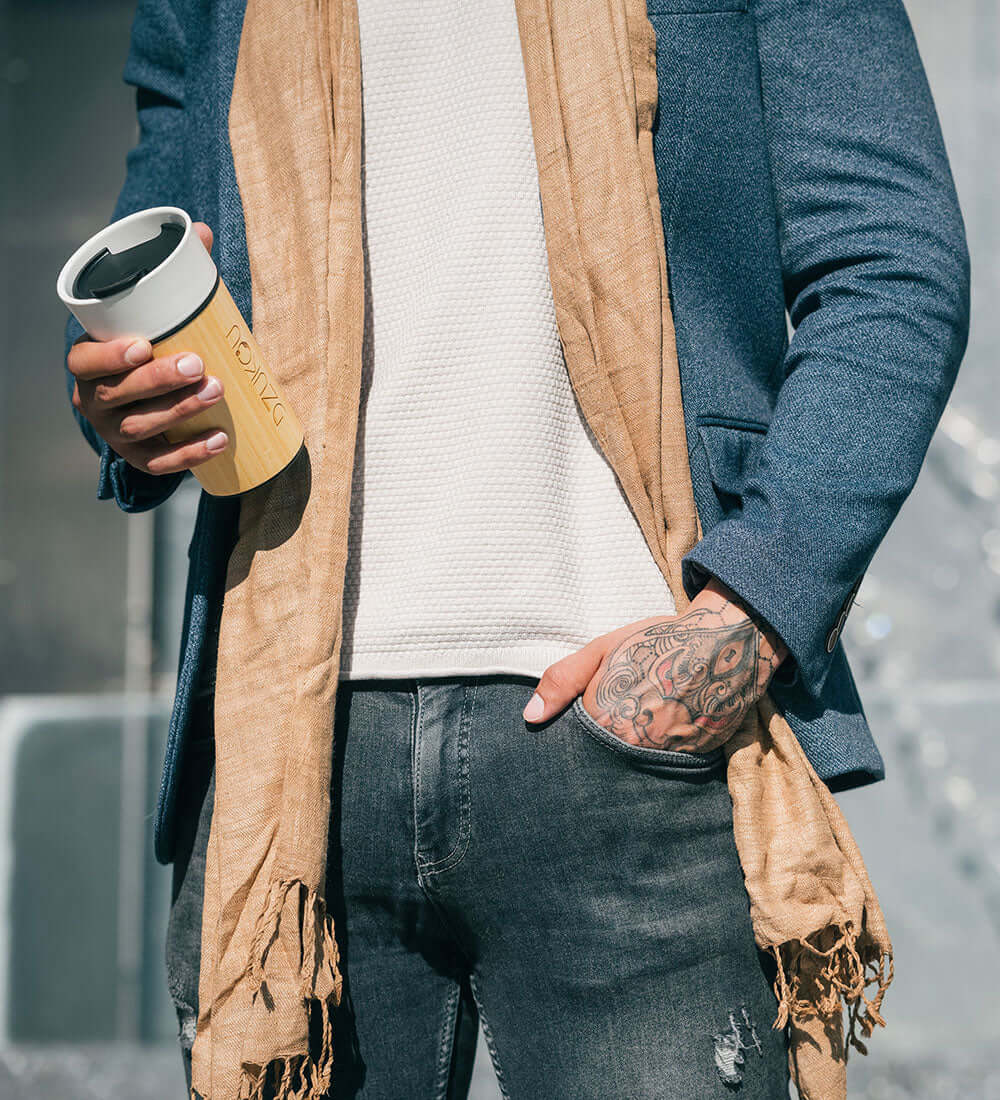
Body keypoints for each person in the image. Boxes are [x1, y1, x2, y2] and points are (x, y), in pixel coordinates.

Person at [63, 0, 969, 1096]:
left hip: (626, 744)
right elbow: (163, 243)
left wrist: (739, 621)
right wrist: (129, 403)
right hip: (286, 764)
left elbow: (888, 263)